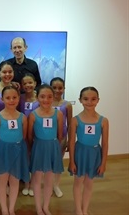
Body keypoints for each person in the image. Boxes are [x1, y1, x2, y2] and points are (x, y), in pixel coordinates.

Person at [68, 87, 109, 215]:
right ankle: (78, 210)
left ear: (98, 100)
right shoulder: (75, 120)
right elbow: (71, 142)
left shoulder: (103, 121)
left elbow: (105, 143)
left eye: (93, 99)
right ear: (80, 100)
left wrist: (103, 163)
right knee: (78, 181)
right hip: (80, 154)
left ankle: (85, 209)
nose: (89, 102)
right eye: (86, 99)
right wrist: (72, 161)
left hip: (94, 154)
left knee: (89, 183)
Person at [0, 86, 29, 215]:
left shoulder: (22, 117)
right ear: (2, 99)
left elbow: (23, 135)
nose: (11, 100)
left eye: (14, 97)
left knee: (14, 180)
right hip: (2, 151)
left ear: (18, 98)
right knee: (1, 181)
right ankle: (4, 209)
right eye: (8, 98)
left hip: (18, 150)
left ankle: (11, 208)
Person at [28, 84, 64, 215]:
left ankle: (46, 206)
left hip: (52, 147)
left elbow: (60, 135)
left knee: (49, 179)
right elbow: (29, 135)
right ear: (37, 98)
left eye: (49, 97)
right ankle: (38, 207)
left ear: (53, 97)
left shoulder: (58, 114)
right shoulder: (33, 115)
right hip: (38, 147)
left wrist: (54, 146)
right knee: (37, 179)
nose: (46, 100)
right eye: (42, 97)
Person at [50, 77, 73, 198]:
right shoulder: (45, 102)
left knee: (58, 162)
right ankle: (46, 184)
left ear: (64, 89)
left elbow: (70, 124)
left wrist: (69, 140)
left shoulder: (67, 105)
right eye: (54, 88)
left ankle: (56, 185)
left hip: (61, 137)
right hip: (47, 138)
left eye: (60, 88)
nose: (57, 90)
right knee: (46, 162)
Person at [19, 73, 39, 197]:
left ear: (35, 83)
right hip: (22, 131)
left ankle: (33, 184)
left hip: (37, 131)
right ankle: (26, 183)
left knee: (35, 158)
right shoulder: (20, 98)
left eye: (30, 82)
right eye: (25, 83)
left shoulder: (39, 98)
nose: (28, 85)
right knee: (25, 158)